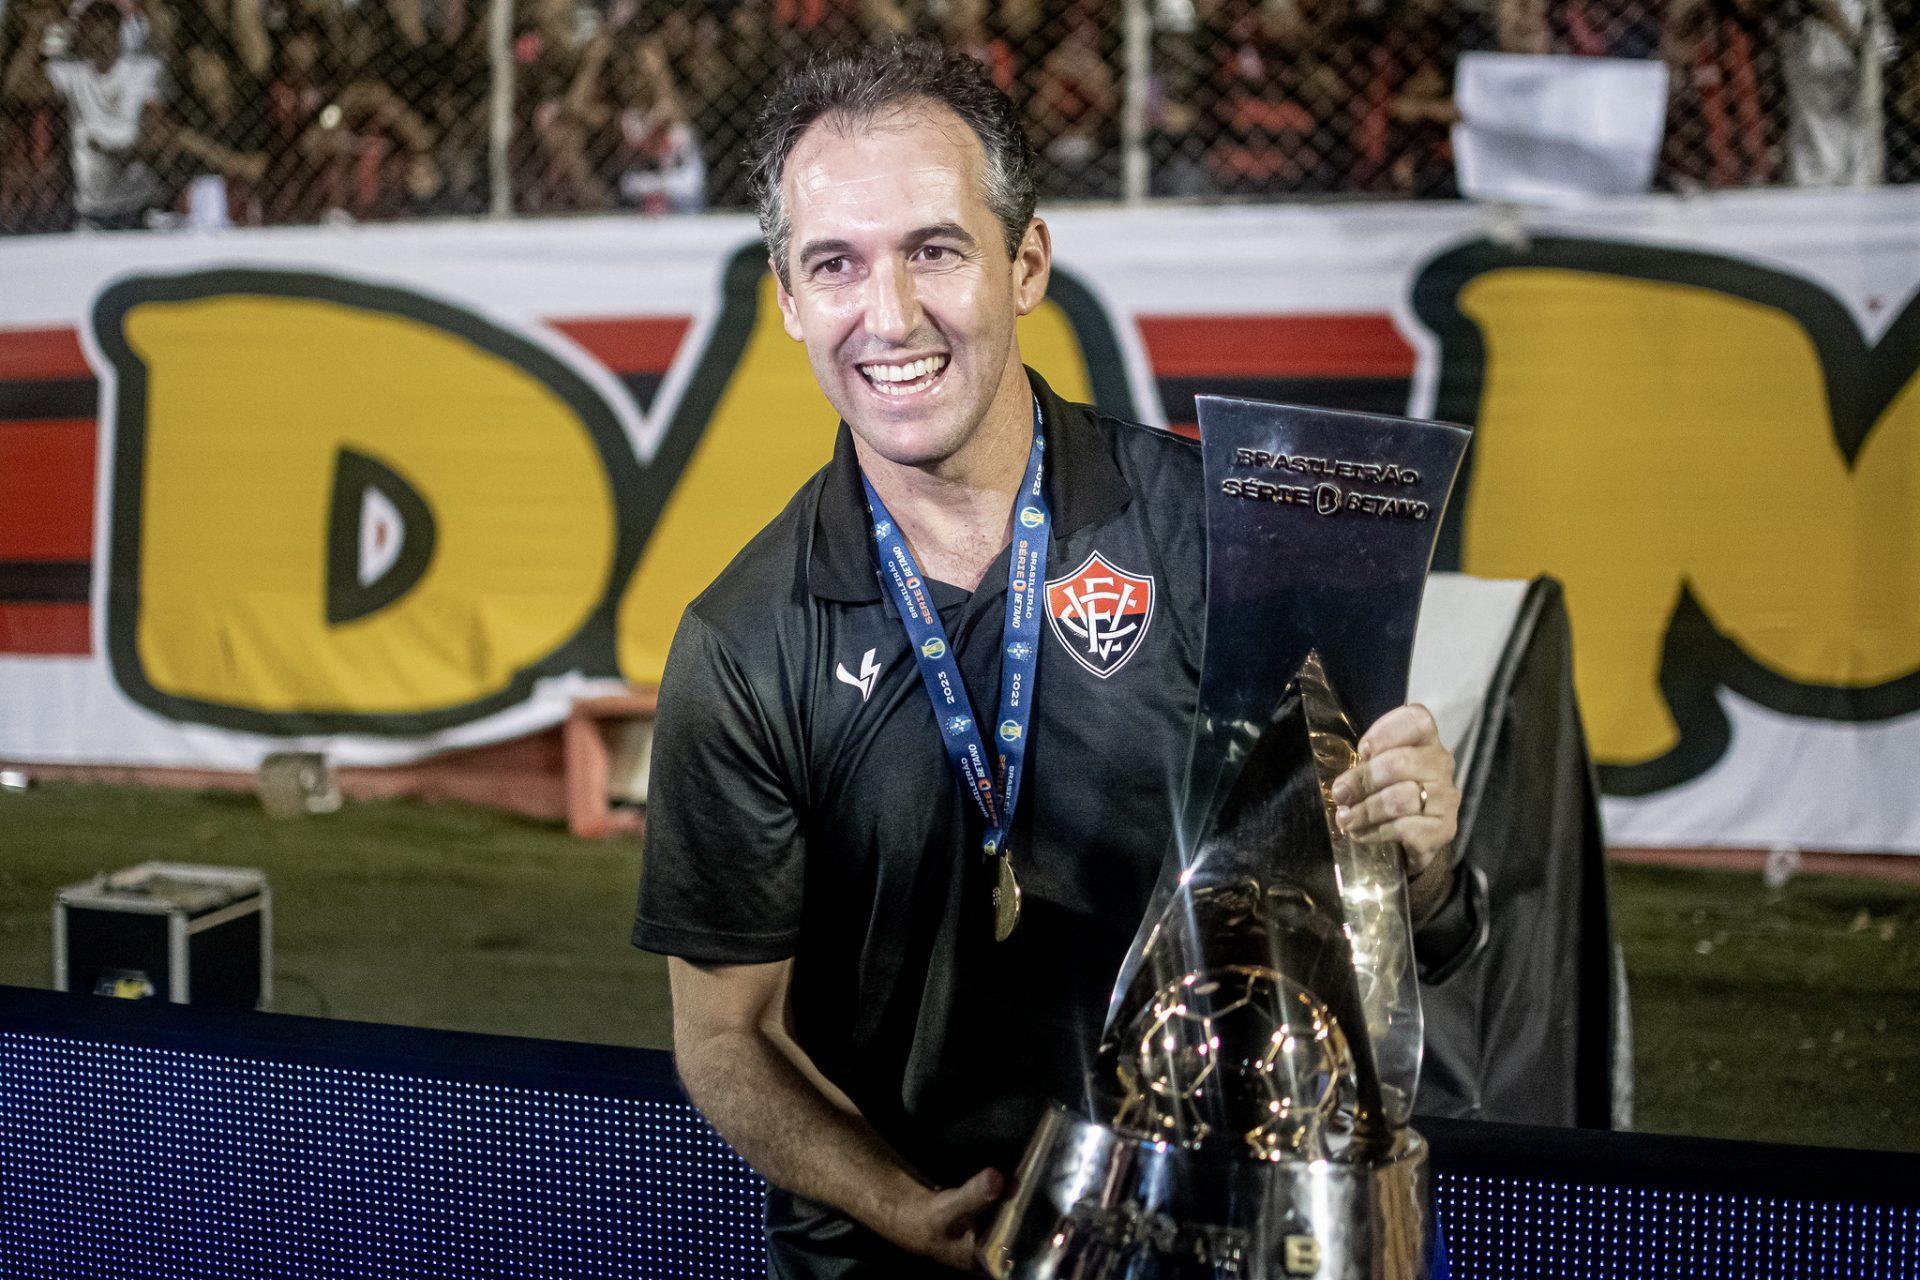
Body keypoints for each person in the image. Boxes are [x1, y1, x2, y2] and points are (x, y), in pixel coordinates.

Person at [632, 39, 1470, 1279]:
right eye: (837, 265)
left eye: (934, 249)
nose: (890, 314)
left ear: (1024, 263)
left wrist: (1425, 863)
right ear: (790, 300)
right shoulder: (744, 642)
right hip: (900, 1252)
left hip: (1214, 1241)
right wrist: (902, 1204)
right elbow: (724, 1035)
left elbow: (1381, 936)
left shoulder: (1216, 533)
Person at [15, 0, 166, 229]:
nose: (99, 40)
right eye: (91, 31)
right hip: (91, 208)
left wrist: (122, 151)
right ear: (81, 34)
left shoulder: (144, 70)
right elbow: (18, 89)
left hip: (142, 203)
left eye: (105, 30)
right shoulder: (72, 72)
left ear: (118, 30)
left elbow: (158, 129)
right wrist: (34, 34)